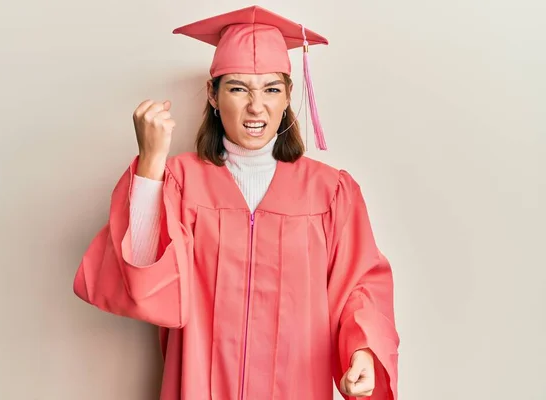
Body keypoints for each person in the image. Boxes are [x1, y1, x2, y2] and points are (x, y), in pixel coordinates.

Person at [73, 5, 400, 400]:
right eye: (238, 88)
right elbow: (143, 282)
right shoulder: (179, 181)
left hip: (296, 386)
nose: (256, 106)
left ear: (288, 97)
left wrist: (362, 350)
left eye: (271, 89)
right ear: (212, 94)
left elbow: (359, 285)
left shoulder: (330, 192)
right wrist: (151, 164)